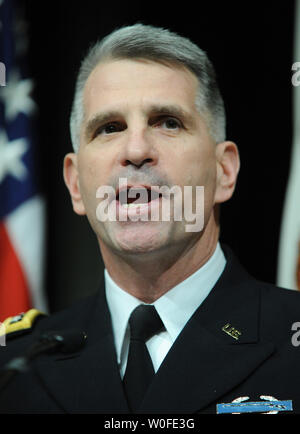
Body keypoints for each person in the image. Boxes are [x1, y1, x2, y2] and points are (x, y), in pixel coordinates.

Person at [0, 23, 299, 415]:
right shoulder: (17, 367)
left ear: (224, 170)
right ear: (75, 185)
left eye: (167, 122)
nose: (136, 149)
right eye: (109, 128)